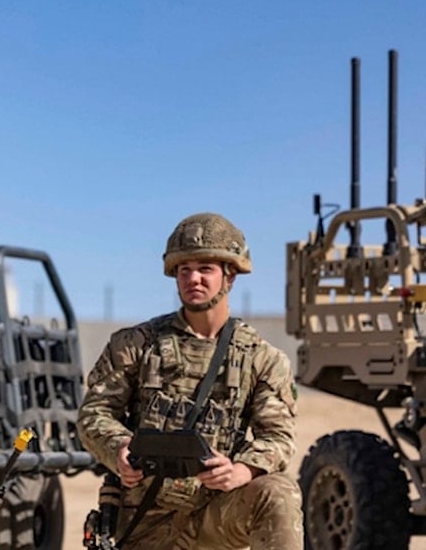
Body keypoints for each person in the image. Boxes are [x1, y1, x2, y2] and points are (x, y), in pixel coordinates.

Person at [77, 212, 303, 549]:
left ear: (230, 276)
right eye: (184, 270)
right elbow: (93, 414)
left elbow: (278, 437)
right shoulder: (136, 345)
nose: (193, 278)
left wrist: (243, 470)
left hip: (215, 515)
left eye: (205, 269)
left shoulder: (263, 359)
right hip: (143, 519)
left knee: (279, 493)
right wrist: (120, 449)